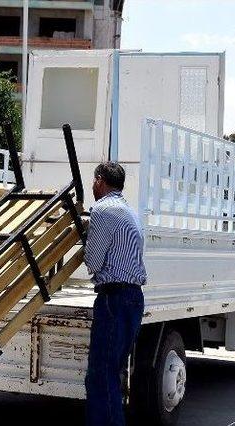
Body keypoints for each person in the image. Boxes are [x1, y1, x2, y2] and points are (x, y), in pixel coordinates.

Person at [84, 162, 147, 426]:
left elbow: (93, 262)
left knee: (100, 375)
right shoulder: (130, 212)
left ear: (99, 181)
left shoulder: (102, 210)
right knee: (112, 372)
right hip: (132, 298)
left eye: (93, 181)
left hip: (114, 299)